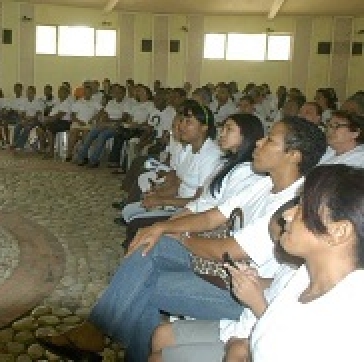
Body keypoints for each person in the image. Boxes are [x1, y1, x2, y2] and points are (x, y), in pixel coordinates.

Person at [37, 117, 326, 362]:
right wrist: (161, 227)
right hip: (222, 272)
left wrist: (181, 235)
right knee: (152, 246)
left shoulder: (291, 205)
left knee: (141, 284)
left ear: (294, 154)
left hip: (244, 292)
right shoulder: (264, 185)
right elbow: (213, 216)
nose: (259, 143)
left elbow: (226, 250)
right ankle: (97, 334)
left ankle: (99, 335)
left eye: (270, 140)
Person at [148, 197, 301, 362]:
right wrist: (255, 280)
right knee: (161, 335)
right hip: (242, 326)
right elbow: (276, 284)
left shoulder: (314, 286)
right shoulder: (292, 267)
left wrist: (255, 300)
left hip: (256, 337)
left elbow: (284, 339)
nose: (277, 246)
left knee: (152, 289)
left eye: (281, 239)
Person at [249, 164, 364, 361]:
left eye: (303, 206)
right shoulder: (305, 275)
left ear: (338, 232)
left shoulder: (348, 324)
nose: (287, 214)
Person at [120, 113, 266, 249]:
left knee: (140, 226)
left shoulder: (245, 171)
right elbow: (198, 200)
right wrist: (172, 219)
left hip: (206, 225)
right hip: (193, 211)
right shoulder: (225, 163)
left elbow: (216, 215)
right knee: (138, 219)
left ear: (246, 135)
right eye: (223, 129)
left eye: (229, 130)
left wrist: (167, 214)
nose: (222, 134)